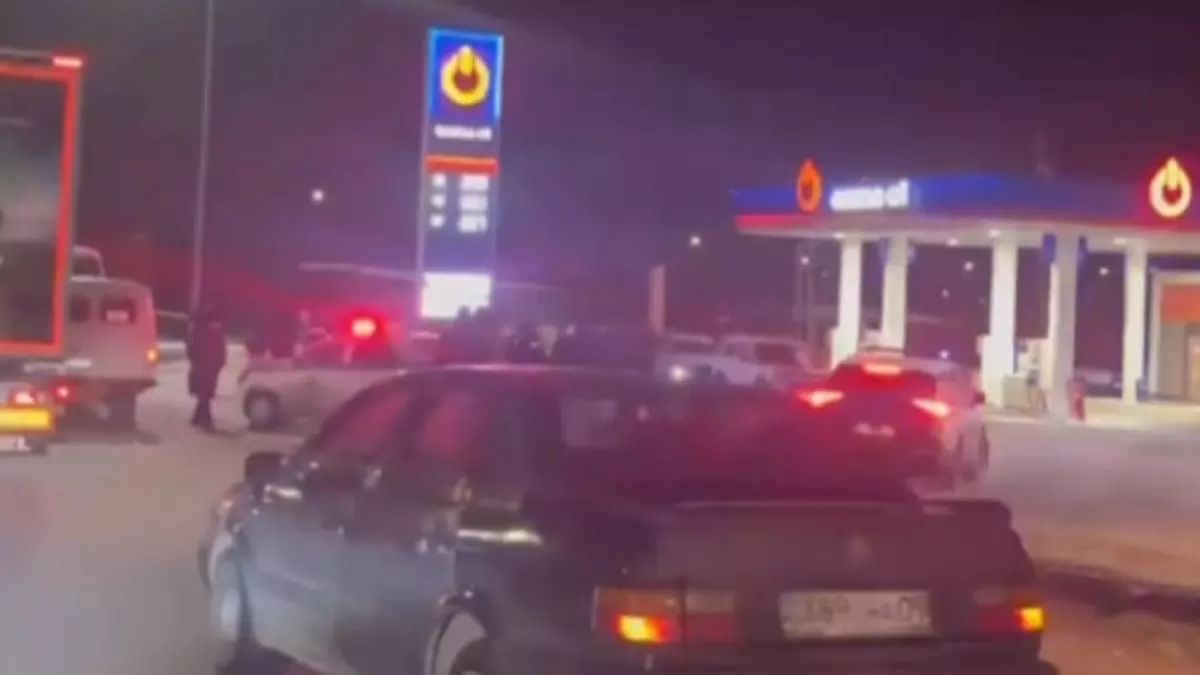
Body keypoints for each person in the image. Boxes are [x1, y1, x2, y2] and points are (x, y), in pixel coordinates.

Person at [187, 305, 227, 431]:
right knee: (206, 393)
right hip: (210, 365)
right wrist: (220, 363)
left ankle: (198, 418)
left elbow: (191, 349)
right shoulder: (215, 331)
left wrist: (194, 362)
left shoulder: (198, 330)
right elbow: (221, 349)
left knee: (204, 393)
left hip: (203, 365)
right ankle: (205, 419)